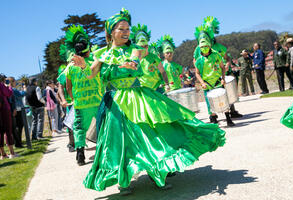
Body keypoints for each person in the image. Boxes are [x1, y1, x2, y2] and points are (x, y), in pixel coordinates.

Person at [72, 8, 225, 195]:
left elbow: (134, 64)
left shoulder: (135, 50)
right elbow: (91, 74)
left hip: (137, 98)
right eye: (122, 29)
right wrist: (82, 67)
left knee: (150, 136)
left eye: (128, 29)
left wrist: (129, 65)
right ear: (111, 32)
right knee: (120, 142)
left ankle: (157, 173)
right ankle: (124, 179)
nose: (126, 32)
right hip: (115, 103)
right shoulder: (102, 54)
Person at [64, 25, 103, 166]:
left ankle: (80, 155)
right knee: (101, 126)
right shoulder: (94, 62)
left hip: (80, 104)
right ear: (87, 51)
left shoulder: (70, 66)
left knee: (79, 128)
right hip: (97, 101)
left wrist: (73, 99)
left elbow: (68, 86)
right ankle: (103, 152)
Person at [193, 16, 243, 119]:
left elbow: (227, 58)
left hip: (221, 73)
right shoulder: (200, 47)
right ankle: (213, 115)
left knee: (226, 94)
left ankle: (231, 112)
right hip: (208, 77)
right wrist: (202, 72)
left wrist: (227, 64)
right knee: (210, 97)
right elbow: (195, 61)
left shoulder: (219, 47)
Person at [129, 23, 169, 93]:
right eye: (141, 47)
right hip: (144, 90)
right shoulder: (135, 60)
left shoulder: (154, 57)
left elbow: (163, 71)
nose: (143, 48)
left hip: (157, 88)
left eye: (145, 46)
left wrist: (166, 84)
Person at [0, 74, 19, 159]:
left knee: (0, 132)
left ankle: (3, 154)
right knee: (8, 130)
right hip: (4, 109)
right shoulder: (1, 85)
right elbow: (8, 93)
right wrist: (8, 86)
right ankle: (12, 153)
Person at [57, 63, 75, 152]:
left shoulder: (71, 73)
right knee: (70, 124)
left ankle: (75, 142)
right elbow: (58, 93)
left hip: (75, 101)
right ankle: (71, 143)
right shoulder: (62, 78)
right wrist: (62, 101)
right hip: (69, 104)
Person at [8, 77, 29, 148]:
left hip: (14, 109)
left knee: (16, 126)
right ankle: (18, 143)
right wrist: (25, 88)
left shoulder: (9, 89)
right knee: (19, 126)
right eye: (14, 81)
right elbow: (22, 94)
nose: (15, 83)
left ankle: (17, 142)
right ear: (12, 82)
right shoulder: (13, 89)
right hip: (18, 109)